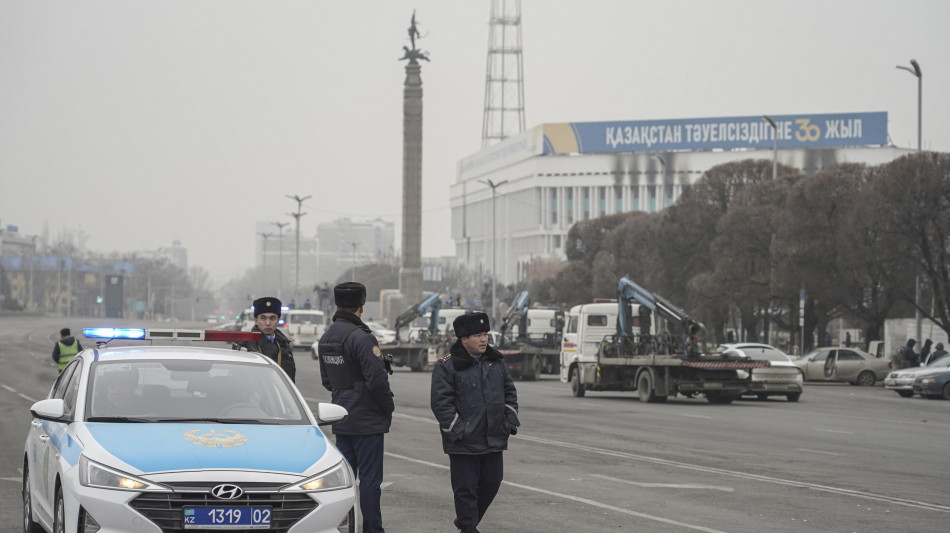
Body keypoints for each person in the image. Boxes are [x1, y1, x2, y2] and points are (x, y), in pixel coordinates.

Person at [431, 312, 519, 533]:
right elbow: (441, 402)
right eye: (478, 335)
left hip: (493, 437)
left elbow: (510, 393)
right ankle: (469, 527)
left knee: (492, 482)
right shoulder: (447, 365)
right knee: (466, 490)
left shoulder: (496, 361)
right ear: (463, 339)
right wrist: (458, 430)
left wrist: (508, 421)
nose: (483, 339)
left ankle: (465, 521)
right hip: (464, 442)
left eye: (485, 334)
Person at [318, 282, 394, 533]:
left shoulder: (326, 337)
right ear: (361, 307)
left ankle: (341, 526)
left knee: (345, 481)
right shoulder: (362, 338)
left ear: (337, 306)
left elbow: (327, 381)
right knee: (370, 481)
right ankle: (373, 529)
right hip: (368, 420)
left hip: (342, 417)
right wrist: (388, 407)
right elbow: (377, 380)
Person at [233, 297, 296, 382]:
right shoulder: (245, 345)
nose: (268, 323)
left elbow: (290, 379)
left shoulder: (284, 345)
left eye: (272, 318)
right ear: (256, 320)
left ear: (278, 321)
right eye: (263, 318)